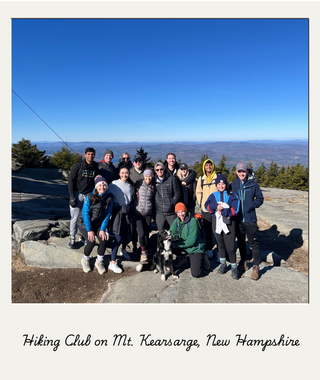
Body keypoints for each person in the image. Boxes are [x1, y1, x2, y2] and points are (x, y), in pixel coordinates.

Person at [229, 162, 264, 280]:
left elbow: (260, 198)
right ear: (236, 172)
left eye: (243, 171)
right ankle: (244, 261)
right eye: (239, 171)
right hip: (238, 219)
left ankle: (256, 266)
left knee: (254, 242)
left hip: (250, 219)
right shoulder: (233, 185)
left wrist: (251, 205)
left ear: (247, 171)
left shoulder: (253, 185)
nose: (241, 173)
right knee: (241, 242)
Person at [205, 174, 240, 279]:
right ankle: (223, 264)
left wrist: (224, 212)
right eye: (219, 184)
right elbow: (207, 206)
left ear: (226, 184)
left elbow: (235, 209)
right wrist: (215, 206)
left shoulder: (232, 195)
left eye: (223, 183)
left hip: (229, 223)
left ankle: (234, 267)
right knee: (220, 245)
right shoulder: (213, 195)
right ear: (216, 185)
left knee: (231, 246)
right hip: (217, 222)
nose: (221, 185)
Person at [79, 175, 113, 274]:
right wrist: (90, 231)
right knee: (91, 241)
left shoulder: (109, 198)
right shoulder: (90, 196)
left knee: (103, 239)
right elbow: (85, 214)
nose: (102, 187)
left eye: (104, 185)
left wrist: (102, 229)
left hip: (98, 223)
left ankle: (99, 261)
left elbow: (108, 214)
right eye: (100, 185)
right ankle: (85, 259)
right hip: (84, 223)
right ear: (96, 187)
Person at [67, 147, 100, 249]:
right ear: (85, 154)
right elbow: (70, 181)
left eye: (92, 154)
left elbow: (97, 181)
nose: (90, 156)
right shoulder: (78, 166)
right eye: (89, 154)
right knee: (75, 218)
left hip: (88, 196)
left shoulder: (95, 167)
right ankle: (72, 238)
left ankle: (83, 237)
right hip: (77, 195)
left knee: (87, 218)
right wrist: (72, 196)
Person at [169, 203, 210, 278]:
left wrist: (176, 244)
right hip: (184, 245)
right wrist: (169, 237)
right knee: (169, 245)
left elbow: (192, 241)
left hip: (195, 248)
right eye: (178, 212)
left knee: (196, 274)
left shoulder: (193, 221)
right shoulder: (176, 221)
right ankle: (182, 258)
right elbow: (172, 232)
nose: (181, 214)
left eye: (182, 211)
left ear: (186, 211)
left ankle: (203, 258)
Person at [107, 166, 135, 270]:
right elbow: (107, 196)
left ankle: (123, 250)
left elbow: (131, 198)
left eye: (126, 173)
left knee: (126, 233)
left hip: (127, 212)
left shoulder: (129, 185)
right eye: (122, 173)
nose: (124, 175)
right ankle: (112, 262)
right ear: (119, 173)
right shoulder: (114, 184)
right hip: (117, 212)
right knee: (118, 237)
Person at [195, 159, 218, 259]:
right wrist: (202, 203)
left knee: (217, 232)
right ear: (204, 167)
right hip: (205, 210)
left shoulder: (217, 178)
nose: (208, 167)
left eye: (210, 165)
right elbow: (198, 192)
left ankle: (219, 252)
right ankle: (209, 249)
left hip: (217, 210)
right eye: (206, 165)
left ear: (213, 166)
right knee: (208, 231)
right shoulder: (201, 179)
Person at [134, 169, 156, 264]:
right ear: (144, 176)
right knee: (141, 234)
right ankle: (143, 252)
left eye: (150, 176)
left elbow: (154, 200)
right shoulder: (138, 184)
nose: (148, 177)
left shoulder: (153, 186)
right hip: (138, 213)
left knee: (146, 234)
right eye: (146, 176)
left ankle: (145, 251)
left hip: (148, 213)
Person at [154, 162, 181, 234]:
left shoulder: (171, 179)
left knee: (174, 232)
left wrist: (172, 204)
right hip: (159, 212)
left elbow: (177, 193)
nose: (159, 171)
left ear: (164, 169)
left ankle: (174, 245)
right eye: (157, 170)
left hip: (171, 212)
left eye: (161, 169)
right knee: (161, 233)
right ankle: (163, 246)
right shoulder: (153, 181)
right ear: (155, 171)